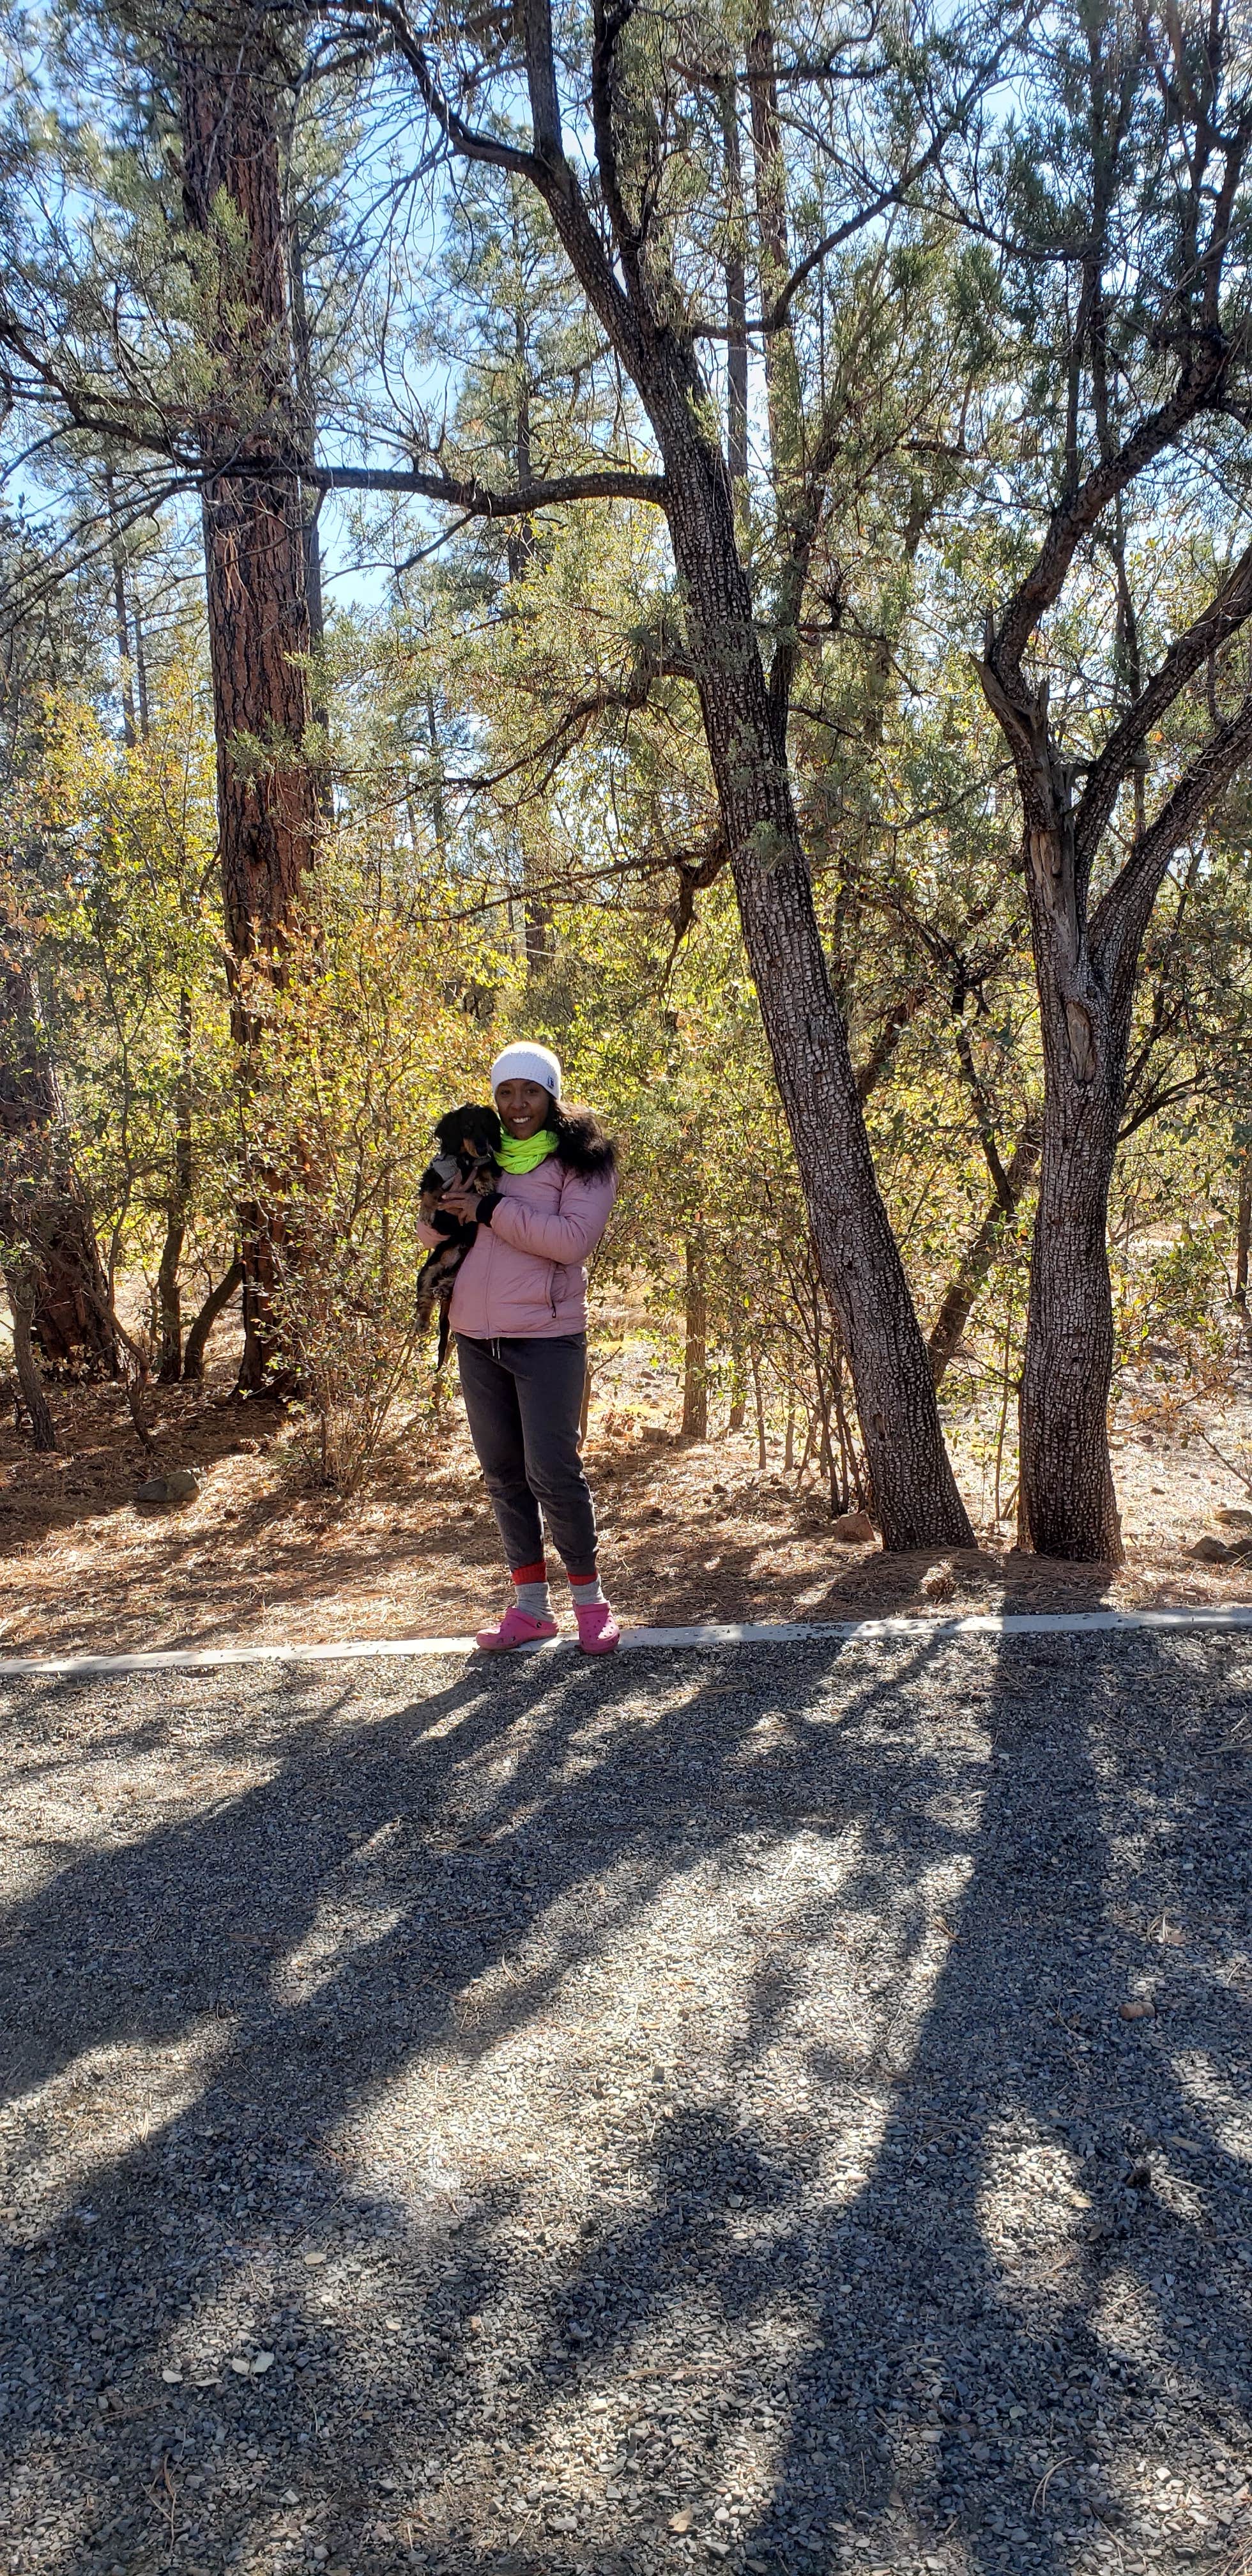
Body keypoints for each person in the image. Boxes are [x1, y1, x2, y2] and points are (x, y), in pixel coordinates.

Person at [422, 1041, 620, 1653]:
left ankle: (591, 1604)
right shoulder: (480, 1150)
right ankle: (531, 1609)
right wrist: (442, 1202)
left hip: (547, 1336)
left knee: (554, 1474)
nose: (516, 1104)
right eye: (506, 1092)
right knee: (504, 1475)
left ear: (551, 1096)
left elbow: (570, 1241)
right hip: (476, 1335)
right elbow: (434, 1231)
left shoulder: (582, 1162)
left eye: (530, 1091)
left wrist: (489, 1208)